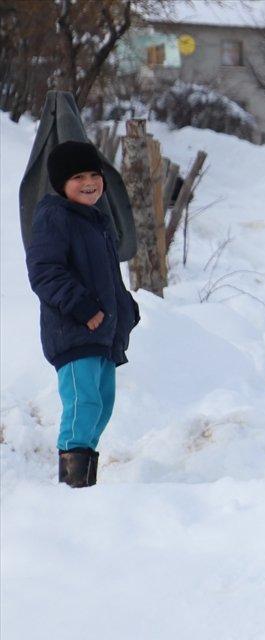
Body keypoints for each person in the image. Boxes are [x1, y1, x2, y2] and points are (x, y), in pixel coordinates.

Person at [25, 140, 140, 488]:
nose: (89, 182)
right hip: (75, 330)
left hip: (102, 333)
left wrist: (126, 309)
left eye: (94, 174)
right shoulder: (55, 217)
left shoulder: (95, 220)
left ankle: (83, 480)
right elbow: (45, 271)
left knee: (101, 405)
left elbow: (106, 275)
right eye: (78, 177)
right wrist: (83, 307)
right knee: (83, 404)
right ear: (61, 183)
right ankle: (71, 487)